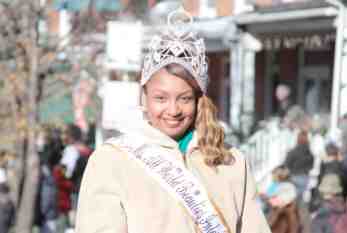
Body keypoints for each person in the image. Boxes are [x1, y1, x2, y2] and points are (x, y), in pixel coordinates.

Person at [75, 9, 271, 233]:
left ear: (199, 100)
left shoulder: (231, 161)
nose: (173, 110)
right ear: (144, 97)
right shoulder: (112, 160)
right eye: (161, 98)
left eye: (185, 98)